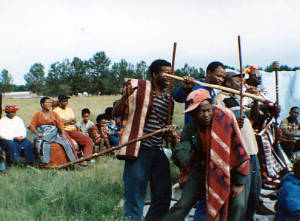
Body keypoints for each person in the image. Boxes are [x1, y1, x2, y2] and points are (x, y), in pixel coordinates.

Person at [164, 89, 249, 221]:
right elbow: (182, 159)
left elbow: (239, 152)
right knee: (182, 205)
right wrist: (175, 143)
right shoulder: (191, 128)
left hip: (229, 170)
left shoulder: (225, 121)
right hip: (201, 170)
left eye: (208, 110)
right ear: (193, 113)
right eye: (200, 111)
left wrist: (239, 183)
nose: (206, 115)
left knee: (238, 205)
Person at [113, 59, 178, 221]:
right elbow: (115, 113)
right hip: (139, 151)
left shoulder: (169, 100)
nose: (170, 77)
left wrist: (169, 134)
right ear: (155, 74)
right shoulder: (138, 92)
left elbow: (164, 129)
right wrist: (125, 97)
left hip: (157, 151)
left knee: (163, 198)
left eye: (171, 73)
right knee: (135, 198)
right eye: (165, 73)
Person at [213, 72, 261, 220]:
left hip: (252, 150)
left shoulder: (238, 99)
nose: (241, 81)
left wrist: (255, 102)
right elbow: (219, 125)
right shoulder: (220, 99)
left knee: (254, 191)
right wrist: (232, 122)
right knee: (242, 196)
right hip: (241, 153)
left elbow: (254, 118)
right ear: (227, 83)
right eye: (237, 79)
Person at [173, 61, 226, 125]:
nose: (221, 80)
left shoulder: (214, 93)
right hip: (193, 130)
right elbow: (176, 97)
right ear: (209, 73)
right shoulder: (194, 85)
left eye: (223, 78)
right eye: (219, 76)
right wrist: (186, 89)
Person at [29, 97, 77, 168]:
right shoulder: (37, 114)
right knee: (44, 145)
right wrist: (37, 133)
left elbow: (60, 125)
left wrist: (63, 134)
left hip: (54, 133)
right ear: (42, 104)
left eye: (50, 103)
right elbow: (31, 126)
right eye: (47, 103)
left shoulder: (54, 114)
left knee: (66, 143)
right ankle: (46, 163)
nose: (49, 104)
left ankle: (73, 162)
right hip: (43, 133)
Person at [53, 94, 93, 159]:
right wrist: (68, 121)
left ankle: (86, 159)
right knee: (71, 144)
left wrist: (66, 121)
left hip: (72, 130)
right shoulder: (55, 111)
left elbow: (74, 121)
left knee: (88, 141)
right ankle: (75, 161)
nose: (66, 102)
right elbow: (60, 123)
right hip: (63, 131)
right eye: (64, 101)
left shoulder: (70, 110)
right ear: (59, 102)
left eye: (67, 101)